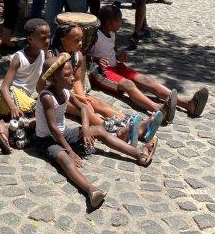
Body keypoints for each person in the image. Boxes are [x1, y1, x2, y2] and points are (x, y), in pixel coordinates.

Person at [34, 54, 157, 209]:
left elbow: (84, 108)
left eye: (72, 73)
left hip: (63, 133)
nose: (73, 78)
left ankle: (138, 154)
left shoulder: (65, 91)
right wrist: (70, 151)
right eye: (67, 75)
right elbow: (53, 128)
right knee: (65, 159)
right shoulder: (47, 97)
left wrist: (85, 129)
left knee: (98, 129)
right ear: (53, 78)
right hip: (46, 139)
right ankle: (91, 190)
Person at [47, 24, 162, 145]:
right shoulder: (52, 56)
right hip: (55, 96)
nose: (80, 43)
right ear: (63, 40)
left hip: (72, 93)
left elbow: (76, 80)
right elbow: (54, 85)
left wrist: (83, 98)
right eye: (76, 40)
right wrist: (81, 101)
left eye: (81, 39)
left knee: (97, 103)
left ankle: (134, 123)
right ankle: (120, 131)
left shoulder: (78, 55)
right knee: (86, 110)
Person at [91, 5, 209, 122]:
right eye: (119, 21)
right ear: (109, 22)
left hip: (117, 66)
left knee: (146, 80)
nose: (121, 23)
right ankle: (159, 110)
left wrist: (118, 56)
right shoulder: (95, 36)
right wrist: (96, 59)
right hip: (102, 72)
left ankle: (188, 104)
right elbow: (83, 55)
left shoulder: (112, 33)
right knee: (129, 85)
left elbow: (111, 50)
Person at [0, 18, 52, 119]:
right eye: (43, 38)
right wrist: (13, 107)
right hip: (13, 94)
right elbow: (4, 87)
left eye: (49, 37)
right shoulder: (19, 58)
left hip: (26, 97)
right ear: (30, 39)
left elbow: (43, 83)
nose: (47, 41)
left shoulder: (44, 54)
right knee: (43, 114)